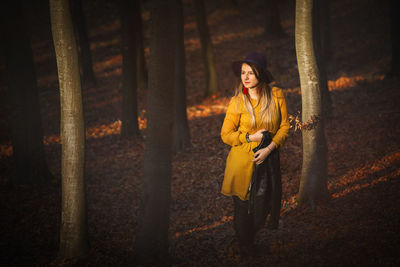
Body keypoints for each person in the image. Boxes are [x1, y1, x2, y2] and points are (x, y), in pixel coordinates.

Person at [220, 52, 289, 256]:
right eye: (243, 73)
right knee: (243, 210)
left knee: (264, 206)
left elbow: (284, 126)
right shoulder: (237, 102)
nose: (246, 77)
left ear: (261, 74)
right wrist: (250, 138)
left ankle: (247, 242)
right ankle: (246, 248)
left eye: (250, 72)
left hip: (267, 162)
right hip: (242, 163)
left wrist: (268, 148)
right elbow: (225, 134)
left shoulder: (276, 95)